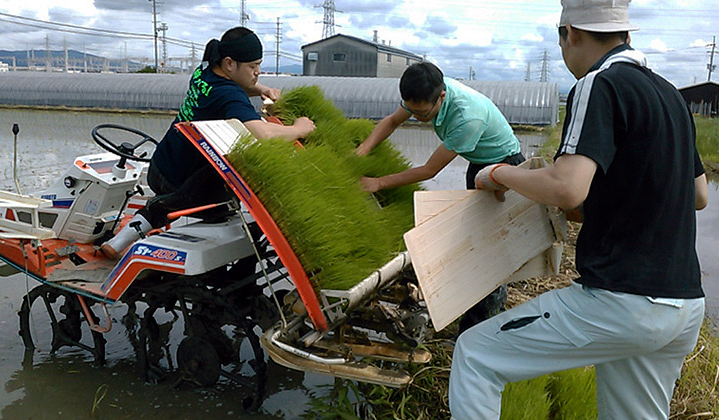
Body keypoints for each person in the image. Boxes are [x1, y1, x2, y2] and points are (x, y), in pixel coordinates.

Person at [449, 0, 709, 419]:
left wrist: (497, 174)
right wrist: (605, 207)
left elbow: (565, 187)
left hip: (622, 301)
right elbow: (697, 195)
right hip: (683, 305)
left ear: (569, 33)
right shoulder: (669, 94)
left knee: (476, 354)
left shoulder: (598, 84)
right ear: (626, 33)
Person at [101, 27, 316, 258]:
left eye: (259, 65)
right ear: (230, 63)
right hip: (180, 184)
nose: (258, 72)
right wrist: (299, 129)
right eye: (253, 66)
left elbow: (240, 87)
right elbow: (262, 133)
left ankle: (123, 238)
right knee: (232, 187)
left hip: (161, 164)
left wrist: (264, 89)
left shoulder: (204, 70)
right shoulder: (229, 95)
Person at [356, 62, 524, 334]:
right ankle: (467, 313)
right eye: (412, 109)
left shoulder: (467, 118)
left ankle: (482, 329)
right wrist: (362, 150)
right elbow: (391, 121)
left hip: (505, 168)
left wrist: (378, 182)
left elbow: (430, 170)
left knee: (491, 247)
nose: (419, 117)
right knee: (473, 239)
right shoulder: (422, 96)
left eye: (423, 113)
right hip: (479, 164)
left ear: (441, 97)